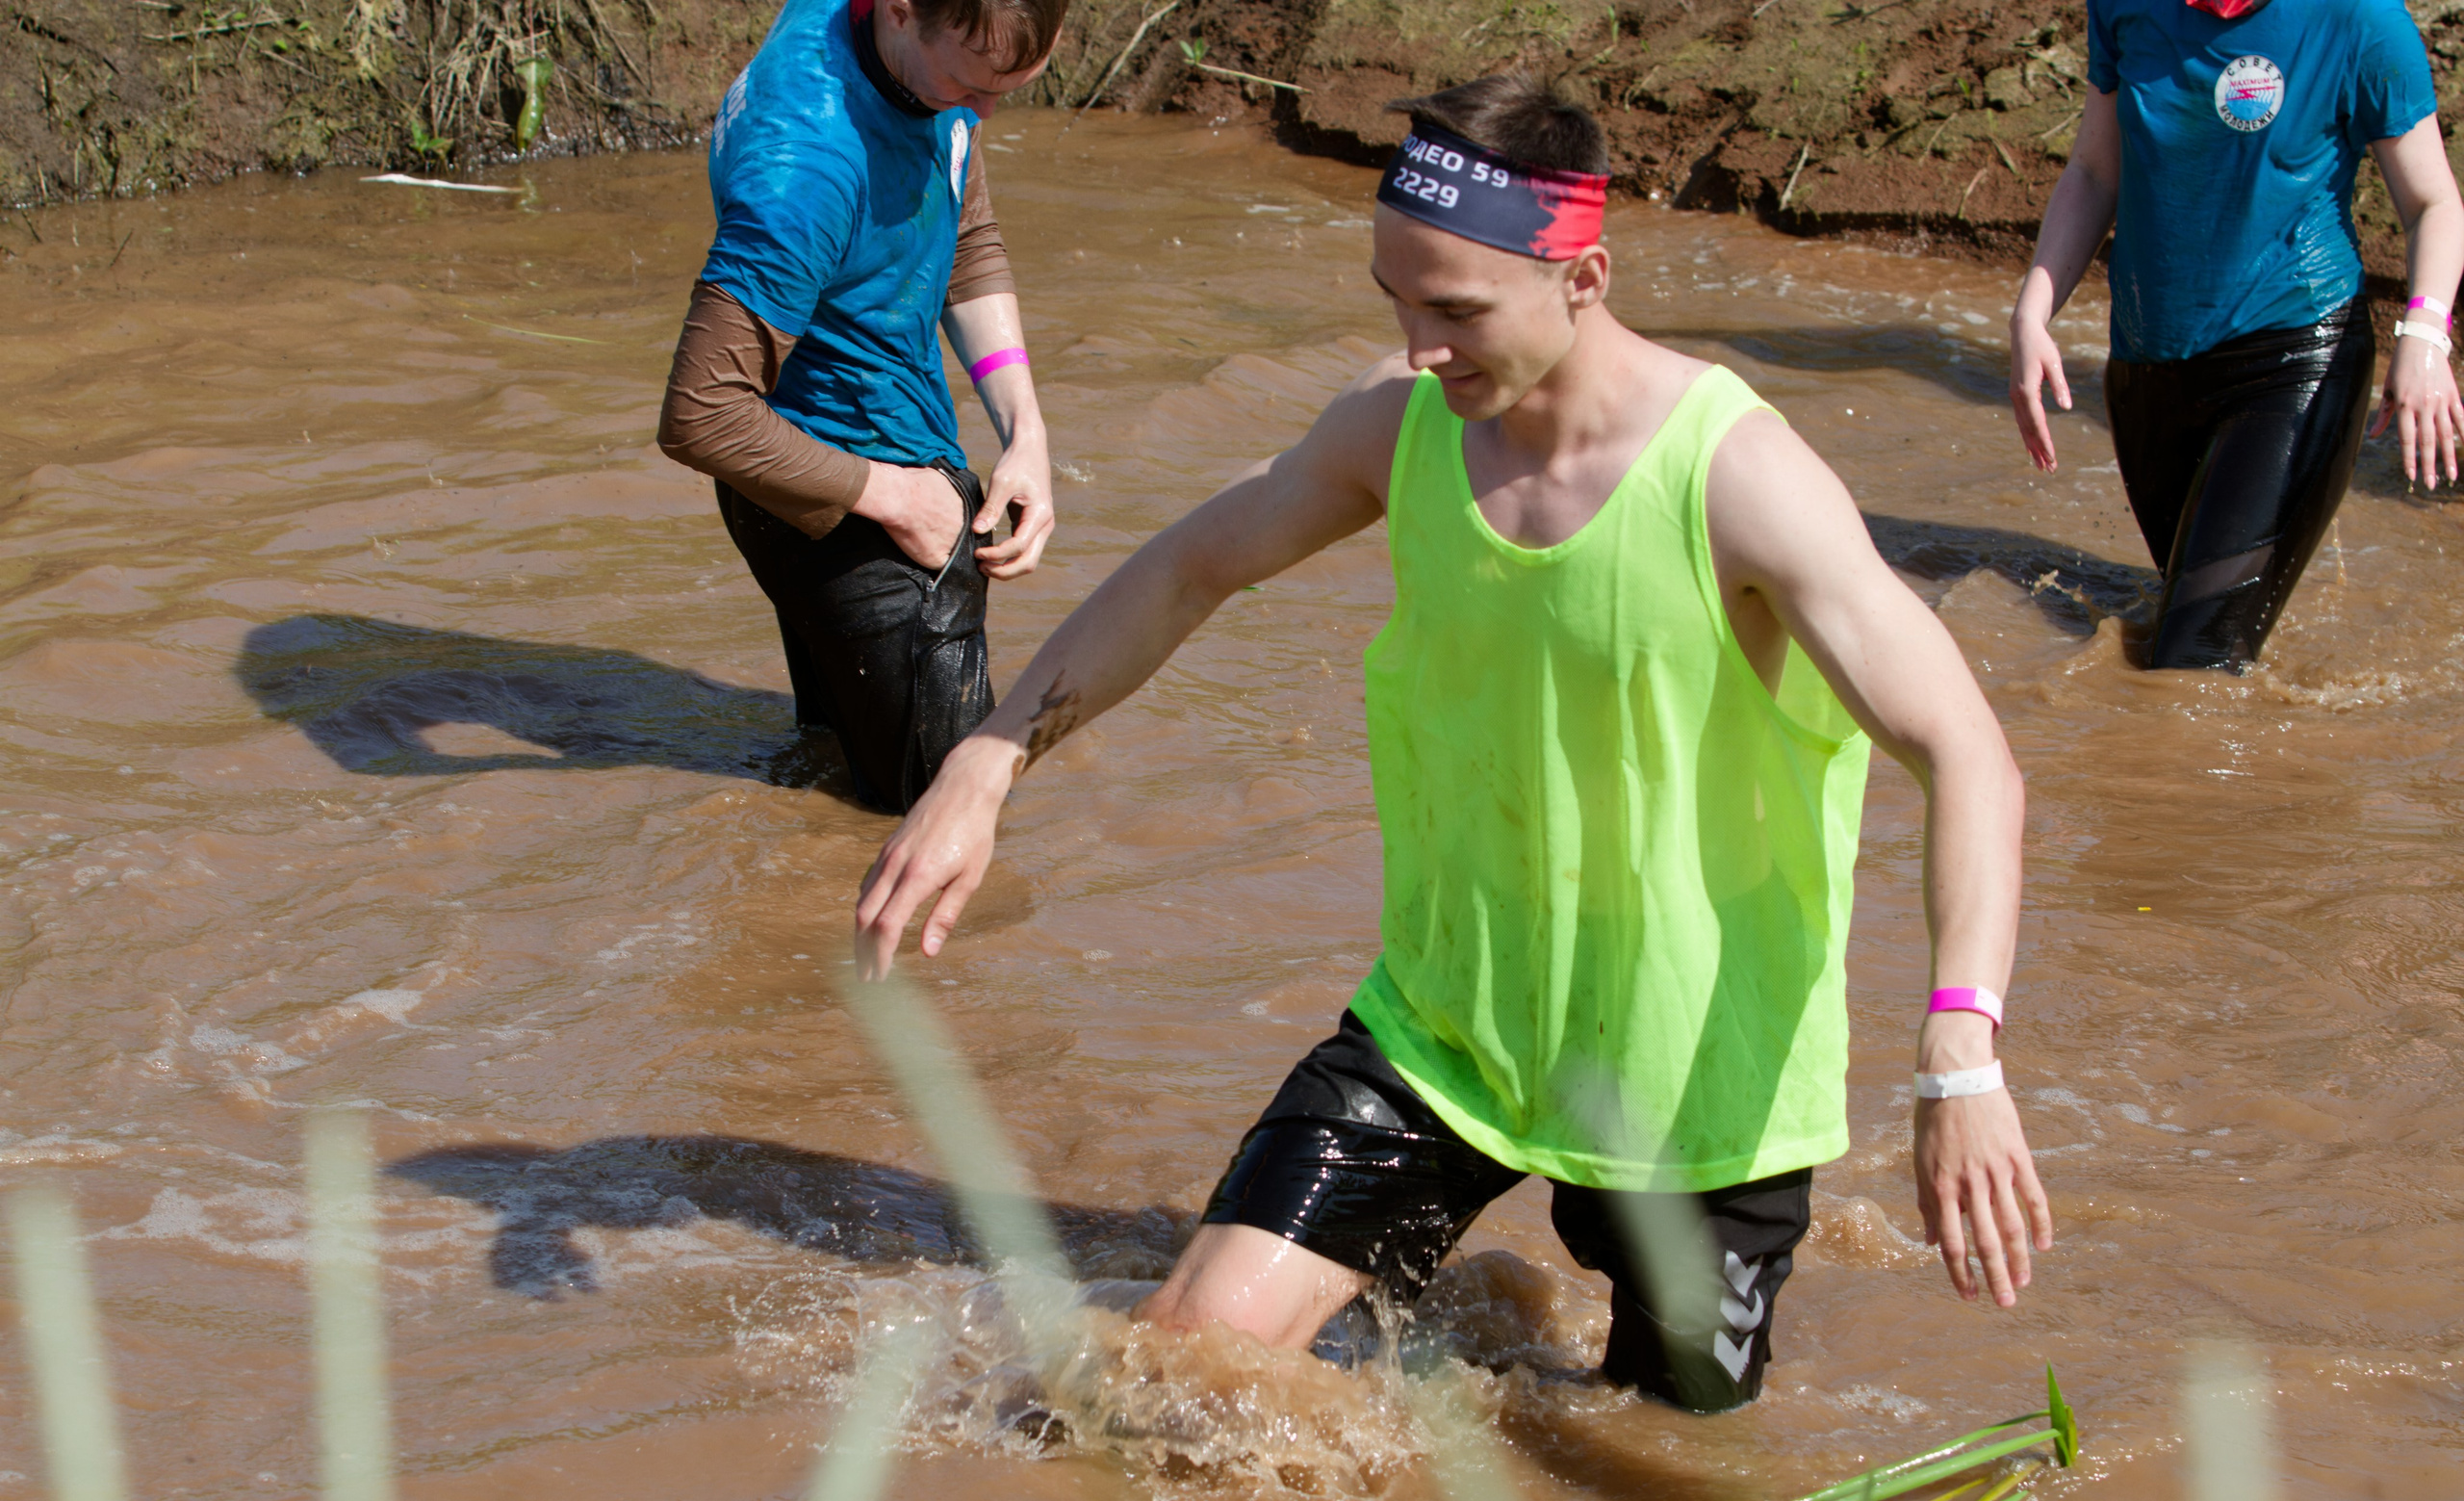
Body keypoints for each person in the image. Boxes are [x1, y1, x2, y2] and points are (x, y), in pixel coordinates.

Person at [854, 76, 2052, 1412]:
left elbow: (1966, 753)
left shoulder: (1739, 479)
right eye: (1397, 301)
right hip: (1448, 1027)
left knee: (1656, 1458)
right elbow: (1192, 567)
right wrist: (991, 755)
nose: (1420, 348)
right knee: (1177, 1376)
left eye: (1459, 311)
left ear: (1583, 277)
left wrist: (1960, 1055)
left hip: (1690, 1080)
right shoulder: (1401, 424)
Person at [657, 0, 1065, 810]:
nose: (985, 112)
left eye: (1009, 88)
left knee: (830, 800)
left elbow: (964, 228)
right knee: (954, 825)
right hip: (865, 520)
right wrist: (905, 500)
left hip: (797, 490)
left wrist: (1026, 430)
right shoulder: (806, 166)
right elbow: (702, 414)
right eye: (972, 86)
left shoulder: (900, 52)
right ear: (904, 12)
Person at [2008, 0, 2464, 671]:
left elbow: (2433, 203)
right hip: (2148, 368)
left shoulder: (2359, 17)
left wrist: (2425, 333)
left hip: (2294, 357)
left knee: (2193, 660)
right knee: (2185, 633)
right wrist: (2031, 312)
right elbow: (2096, 171)